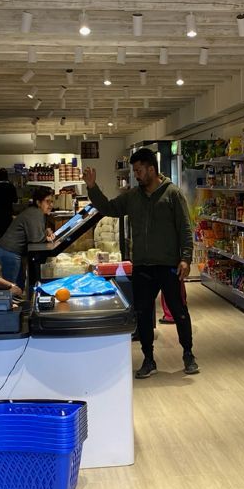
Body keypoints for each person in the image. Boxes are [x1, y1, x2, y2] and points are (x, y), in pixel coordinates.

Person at [86, 149, 198, 378]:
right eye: (135, 171)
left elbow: (185, 229)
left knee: (179, 310)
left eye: (138, 170)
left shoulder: (172, 194)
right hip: (142, 266)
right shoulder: (132, 197)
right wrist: (92, 187)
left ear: (151, 169)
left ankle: (188, 354)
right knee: (143, 313)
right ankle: (148, 359)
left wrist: (186, 258)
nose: (136, 175)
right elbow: (108, 208)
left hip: (168, 264)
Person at [0, 186, 55, 287]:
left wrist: (45, 232)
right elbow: (35, 238)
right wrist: (46, 236)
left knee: (17, 284)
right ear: (38, 202)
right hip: (9, 252)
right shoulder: (35, 213)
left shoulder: (36, 212)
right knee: (12, 287)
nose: (51, 205)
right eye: (47, 201)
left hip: (7, 250)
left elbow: (34, 232)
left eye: (52, 202)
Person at [0, 169, 18, 241]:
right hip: (8, 211)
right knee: (8, 229)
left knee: (0, 230)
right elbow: (15, 200)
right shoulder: (11, 186)